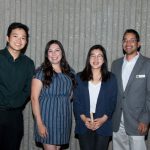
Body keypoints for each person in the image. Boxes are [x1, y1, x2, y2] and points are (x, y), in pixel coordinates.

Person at [31, 40, 75, 150]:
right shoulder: (41, 72)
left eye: (57, 50)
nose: (54, 54)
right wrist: (39, 123)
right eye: (50, 51)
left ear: (62, 53)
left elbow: (71, 94)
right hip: (47, 117)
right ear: (47, 54)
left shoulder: (69, 72)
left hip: (64, 118)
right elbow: (34, 98)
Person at [112, 29, 150, 150]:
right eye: (125, 40)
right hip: (117, 120)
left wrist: (145, 119)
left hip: (138, 121)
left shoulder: (147, 64)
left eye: (132, 40)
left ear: (139, 44)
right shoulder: (115, 64)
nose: (128, 43)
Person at [73, 45, 117, 150]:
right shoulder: (79, 77)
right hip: (84, 123)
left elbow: (112, 101)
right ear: (89, 59)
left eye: (99, 56)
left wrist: (103, 119)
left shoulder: (111, 78)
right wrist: (84, 120)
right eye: (93, 56)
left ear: (104, 59)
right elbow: (76, 101)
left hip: (103, 123)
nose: (96, 59)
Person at [0, 22, 35, 150]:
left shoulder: (28, 63)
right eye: (15, 36)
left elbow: (28, 90)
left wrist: (14, 103)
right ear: (7, 38)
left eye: (23, 37)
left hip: (15, 116)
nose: (19, 40)